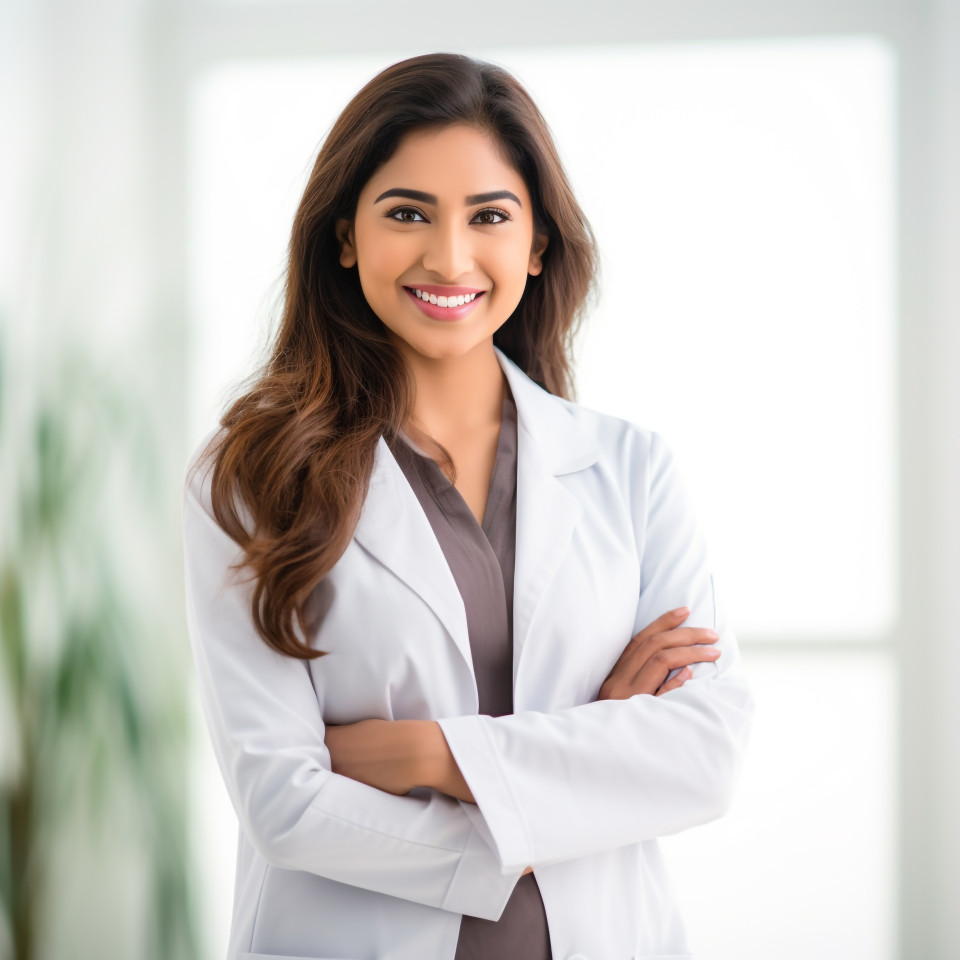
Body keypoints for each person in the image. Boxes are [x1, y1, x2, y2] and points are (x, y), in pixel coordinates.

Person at [182, 52, 754, 960]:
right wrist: (576, 771)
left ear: (535, 246)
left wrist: (420, 757)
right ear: (344, 237)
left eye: (488, 216)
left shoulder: (631, 468)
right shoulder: (253, 476)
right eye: (407, 213)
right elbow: (283, 804)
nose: (448, 256)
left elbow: (702, 755)